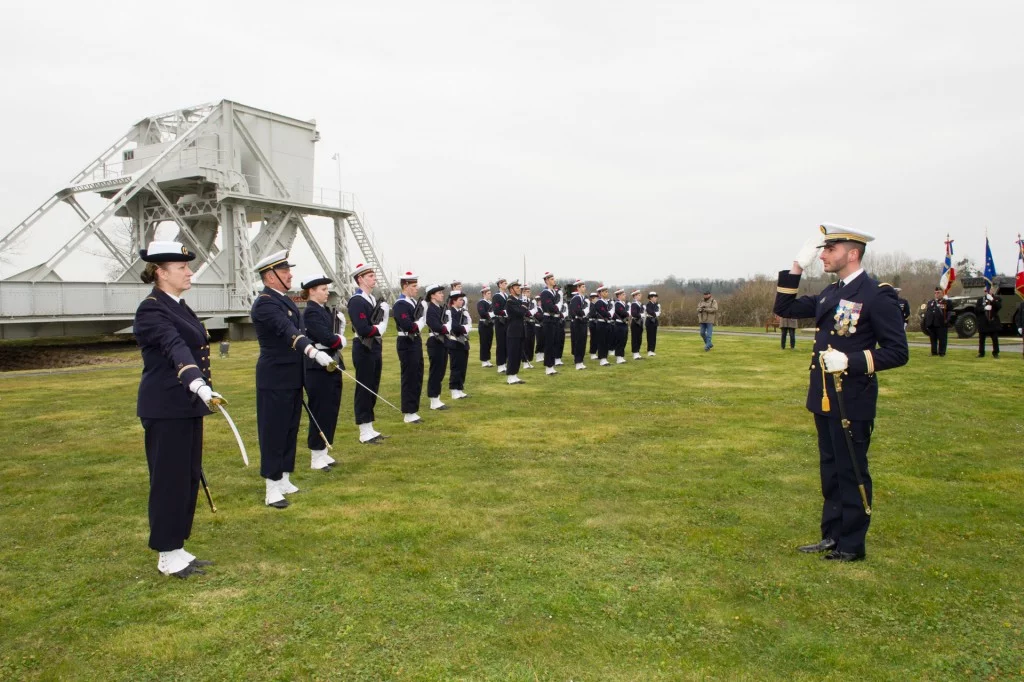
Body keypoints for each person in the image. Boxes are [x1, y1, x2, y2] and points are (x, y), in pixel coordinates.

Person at [774, 223, 909, 562]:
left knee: (851, 470)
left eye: (829, 250)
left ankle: (852, 544)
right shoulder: (830, 294)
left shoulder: (877, 294)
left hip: (853, 399)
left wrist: (850, 359)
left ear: (852, 254)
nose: (823, 255)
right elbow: (785, 310)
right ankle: (831, 535)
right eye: (822, 250)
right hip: (823, 395)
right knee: (831, 470)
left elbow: (897, 351)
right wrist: (796, 268)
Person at [135, 240, 225, 578]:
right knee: (169, 479)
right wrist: (196, 382)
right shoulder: (151, 309)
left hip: (187, 404)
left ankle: (178, 546)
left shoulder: (178, 305)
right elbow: (175, 347)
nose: (189, 272)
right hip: (166, 405)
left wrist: (201, 389)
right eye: (182, 267)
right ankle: (166, 553)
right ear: (160, 272)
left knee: (187, 476)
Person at [251, 250, 337, 508]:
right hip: (274, 377)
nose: (290, 274)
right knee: (273, 431)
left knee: (289, 429)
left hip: (292, 376)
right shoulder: (266, 302)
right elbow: (287, 331)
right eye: (285, 271)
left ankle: (284, 477)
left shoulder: (283, 300)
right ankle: (271, 486)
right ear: (270, 276)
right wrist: (313, 351)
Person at [300, 273, 345, 471]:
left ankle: (324, 451)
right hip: (317, 366)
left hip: (331, 362)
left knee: (331, 408)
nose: (327, 293)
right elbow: (327, 337)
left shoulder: (324, 310)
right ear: (312, 291)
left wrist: (339, 332)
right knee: (320, 410)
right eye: (323, 289)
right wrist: (339, 339)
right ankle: (316, 455)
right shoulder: (311, 312)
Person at [346, 262, 389, 443]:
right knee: (364, 388)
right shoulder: (356, 301)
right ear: (360, 279)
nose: (374, 279)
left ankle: (370, 427)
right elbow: (363, 329)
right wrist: (382, 325)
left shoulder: (371, 299)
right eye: (370, 276)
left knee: (373, 386)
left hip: (374, 347)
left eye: (374, 275)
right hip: (363, 347)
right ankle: (363, 431)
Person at [392, 272, 426, 423]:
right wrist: (419, 323)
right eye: (413, 286)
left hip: (415, 341)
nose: (416, 288)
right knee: (409, 376)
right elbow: (407, 325)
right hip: (406, 341)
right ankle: (408, 412)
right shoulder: (400, 304)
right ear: (405, 286)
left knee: (417, 375)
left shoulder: (412, 302)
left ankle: (414, 409)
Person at [424, 283, 450, 410]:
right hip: (435, 341)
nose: (442, 295)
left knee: (441, 371)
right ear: (432, 296)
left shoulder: (440, 308)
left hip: (442, 341)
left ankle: (437, 398)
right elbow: (435, 325)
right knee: (436, 371)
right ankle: (434, 400)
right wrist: (447, 328)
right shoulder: (430, 309)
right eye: (439, 293)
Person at [447, 290, 472, 399]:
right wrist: (465, 328)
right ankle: (454, 390)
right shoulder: (450, 312)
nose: (462, 302)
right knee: (456, 367)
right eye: (460, 300)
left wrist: (466, 327)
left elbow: (468, 324)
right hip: (455, 342)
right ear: (453, 301)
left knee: (463, 367)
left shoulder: (462, 312)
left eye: (462, 300)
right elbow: (455, 327)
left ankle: (460, 388)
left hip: (464, 342)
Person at [504, 279, 527, 384]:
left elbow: (523, 311)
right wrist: (524, 306)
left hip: (520, 330)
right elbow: (521, 312)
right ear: (511, 290)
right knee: (513, 354)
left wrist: (523, 306)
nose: (519, 290)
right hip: (513, 331)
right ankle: (510, 376)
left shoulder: (517, 301)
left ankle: (515, 375)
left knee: (518, 354)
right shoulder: (510, 301)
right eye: (517, 288)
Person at [539, 272, 561, 375]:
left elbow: (557, 304)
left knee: (554, 343)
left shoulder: (555, 293)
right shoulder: (545, 293)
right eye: (551, 279)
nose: (554, 280)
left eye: (553, 278)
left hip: (555, 319)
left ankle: (551, 366)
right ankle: (548, 367)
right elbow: (550, 306)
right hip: (548, 319)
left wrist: (558, 309)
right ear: (547, 281)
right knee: (549, 344)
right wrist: (558, 309)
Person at [923, 287, 951, 356]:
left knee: (942, 339)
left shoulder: (946, 302)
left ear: (942, 293)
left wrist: (947, 320)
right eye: (935, 293)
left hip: (941, 324)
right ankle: (934, 352)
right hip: (932, 323)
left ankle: (942, 352)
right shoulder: (931, 302)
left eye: (938, 293)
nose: (936, 294)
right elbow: (928, 312)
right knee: (933, 339)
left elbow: (950, 312)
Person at [975, 283, 1002, 358]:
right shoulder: (980, 300)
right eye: (986, 290)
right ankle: (981, 353)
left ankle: (995, 353)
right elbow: (976, 310)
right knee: (981, 340)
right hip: (983, 322)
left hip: (993, 322)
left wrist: (992, 300)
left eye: (989, 289)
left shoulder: (997, 298)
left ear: (992, 290)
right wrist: (984, 308)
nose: (987, 291)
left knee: (995, 339)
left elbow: (999, 307)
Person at [568, 279, 589, 369]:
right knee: (578, 342)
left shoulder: (584, 298)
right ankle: (577, 361)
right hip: (577, 322)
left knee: (583, 342)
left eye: (584, 286)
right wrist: (585, 311)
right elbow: (576, 311)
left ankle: (581, 360)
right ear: (578, 288)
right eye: (582, 287)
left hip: (583, 322)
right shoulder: (576, 298)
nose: (584, 288)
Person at [492, 278, 509, 373]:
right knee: (501, 343)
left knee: (506, 343)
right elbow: (496, 310)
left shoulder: (506, 295)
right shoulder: (496, 296)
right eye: (504, 283)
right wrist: (507, 311)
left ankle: (505, 363)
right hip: (500, 321)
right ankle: (500, 364)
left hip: (507, 321)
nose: (506, 285)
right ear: (500, 285)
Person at [476, 286, 495, 367]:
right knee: (484, 342)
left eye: (490, 293)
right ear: (483, 294)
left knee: (489, 342)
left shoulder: (490, 303)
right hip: (484, 324)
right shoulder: (481, 302)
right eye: (488, 293)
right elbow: (482, 313)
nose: (490, 295)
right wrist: (492, 314)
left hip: (490, 324)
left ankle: (487, 359)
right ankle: (484, 360)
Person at [594, 285, 612, 365]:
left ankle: (605, 357)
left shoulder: (607, 302)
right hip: (601, 323)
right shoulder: (599, 302)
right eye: (605, 292)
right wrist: (610, 314)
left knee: (607, 341)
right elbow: (603, 312)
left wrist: (610, 314)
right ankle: (602, 359)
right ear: (600, 293)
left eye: (607, 291)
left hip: (607, 323)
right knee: (602, 341)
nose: (607, 293)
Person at [521, 286, 536, 370]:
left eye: (529, 291)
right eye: (527, 292)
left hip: (531, 322)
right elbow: (524, 312)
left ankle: (529, 360)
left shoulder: (532, 301)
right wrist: (529, 313)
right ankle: (524, 361)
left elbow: (535, 310)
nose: (528, 293)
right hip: (525, 323)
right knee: (525, 343)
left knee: (531, 342)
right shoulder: (521, 301)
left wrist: (530, 313)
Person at [612, 289, 629, 363]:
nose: (624, 295)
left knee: (624, 340)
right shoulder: (617, 304)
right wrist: (628, 312)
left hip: (624, 324)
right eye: (623, 294)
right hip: (619, 324)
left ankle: (621, 356)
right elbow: (622, 313)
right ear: (618, 296)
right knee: (619, 340)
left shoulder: (624, 303)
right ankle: (618, 357)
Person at [629, 290, 645, 360]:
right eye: (638, 295)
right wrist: (641, 315)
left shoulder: (640, 304)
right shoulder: (634, 304)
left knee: (639, 338)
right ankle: (635, 353)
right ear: (635, 296)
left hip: (640, 322)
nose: (640, 296)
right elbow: (634, 314)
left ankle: (638, 352)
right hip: (635, 322)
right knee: (635, 338)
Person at [645, 292, 660, 356]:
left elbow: (658, 312)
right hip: (649, 321)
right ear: (651, 298)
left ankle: (652, 350)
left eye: (656, 297)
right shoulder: (648, 304)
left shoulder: (657, 304)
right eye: (654, 297)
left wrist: (655, 313)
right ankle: (649, 350)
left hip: (655, 321)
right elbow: (650, 312)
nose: (656, 298)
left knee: (654, 336)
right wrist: (655, 313)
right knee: (650, 336)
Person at [588, 292, 600, 359]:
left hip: (597, 322)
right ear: (592, 298)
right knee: (593, 338)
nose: (597, 299)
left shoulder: (596, 305)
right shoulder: (590, 305)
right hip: (592, 322)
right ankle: (593, 353)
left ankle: (595, 351)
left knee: (597, 338)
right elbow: (592, 314)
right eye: (596, 298)